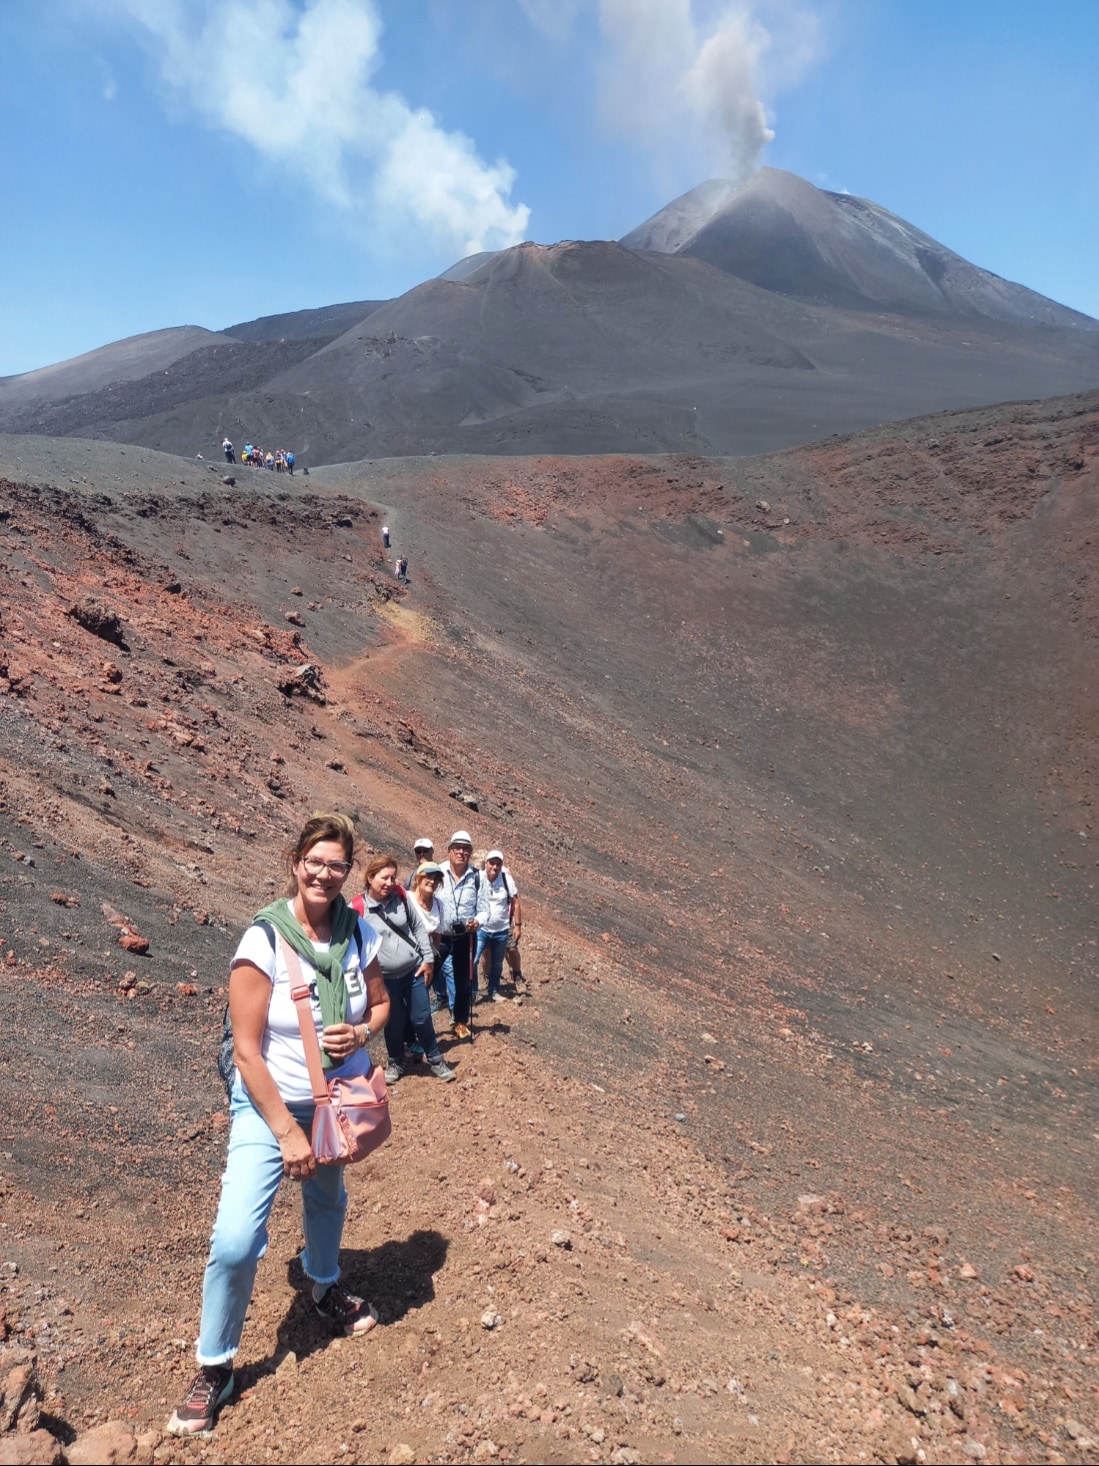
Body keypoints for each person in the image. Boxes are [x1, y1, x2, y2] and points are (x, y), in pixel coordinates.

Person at [167, 813, 390, 1438]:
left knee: (326, 1198)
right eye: (314, 861)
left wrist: (364, 1030)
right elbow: (246, 1051)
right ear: (296, 863)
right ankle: (216, 1365)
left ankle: (323, 1286)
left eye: (336, 865)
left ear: (349, 872)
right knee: (237, 1238)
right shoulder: (263, 939)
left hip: (333, 1100)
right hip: (268, 1107)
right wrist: (287, 1133)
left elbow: (381, 1002)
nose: (324, 873)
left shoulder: (357, 931)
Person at [353, 855, 454, 1085]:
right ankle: (395, 1061)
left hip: (413, 970)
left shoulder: (400, 897)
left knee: (421, 1017)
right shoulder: (358, 908)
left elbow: (418, 927)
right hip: (384, 978)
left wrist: (428, 959)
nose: (390, 883)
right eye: (384, 877)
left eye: (393, 877)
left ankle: (436, 1059)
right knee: (393, 1020)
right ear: (370, 877)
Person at [436, 831, 488, 1040]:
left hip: (466, 937)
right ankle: (416, 1027)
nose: (461, 852)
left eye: (466, 848)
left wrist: (479, 921)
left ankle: (460, 1021)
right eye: (457, 847)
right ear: (449, 850)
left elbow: (484, 908)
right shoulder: (437, 872)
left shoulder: (477, 876)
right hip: (439, 936)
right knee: (426, 978)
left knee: (464, 981)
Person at [476, 851, 519, 1003]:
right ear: (486, 863)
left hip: (501, 929)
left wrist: (517, 925)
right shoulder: (478, 878)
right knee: (473, 960)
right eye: (492, 863)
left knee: (497, 963)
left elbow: (515, 902)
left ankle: (494, 990)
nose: (495, 866)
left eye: (498, 864)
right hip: (481, 929)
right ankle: (473, 991)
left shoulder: (506, 879)